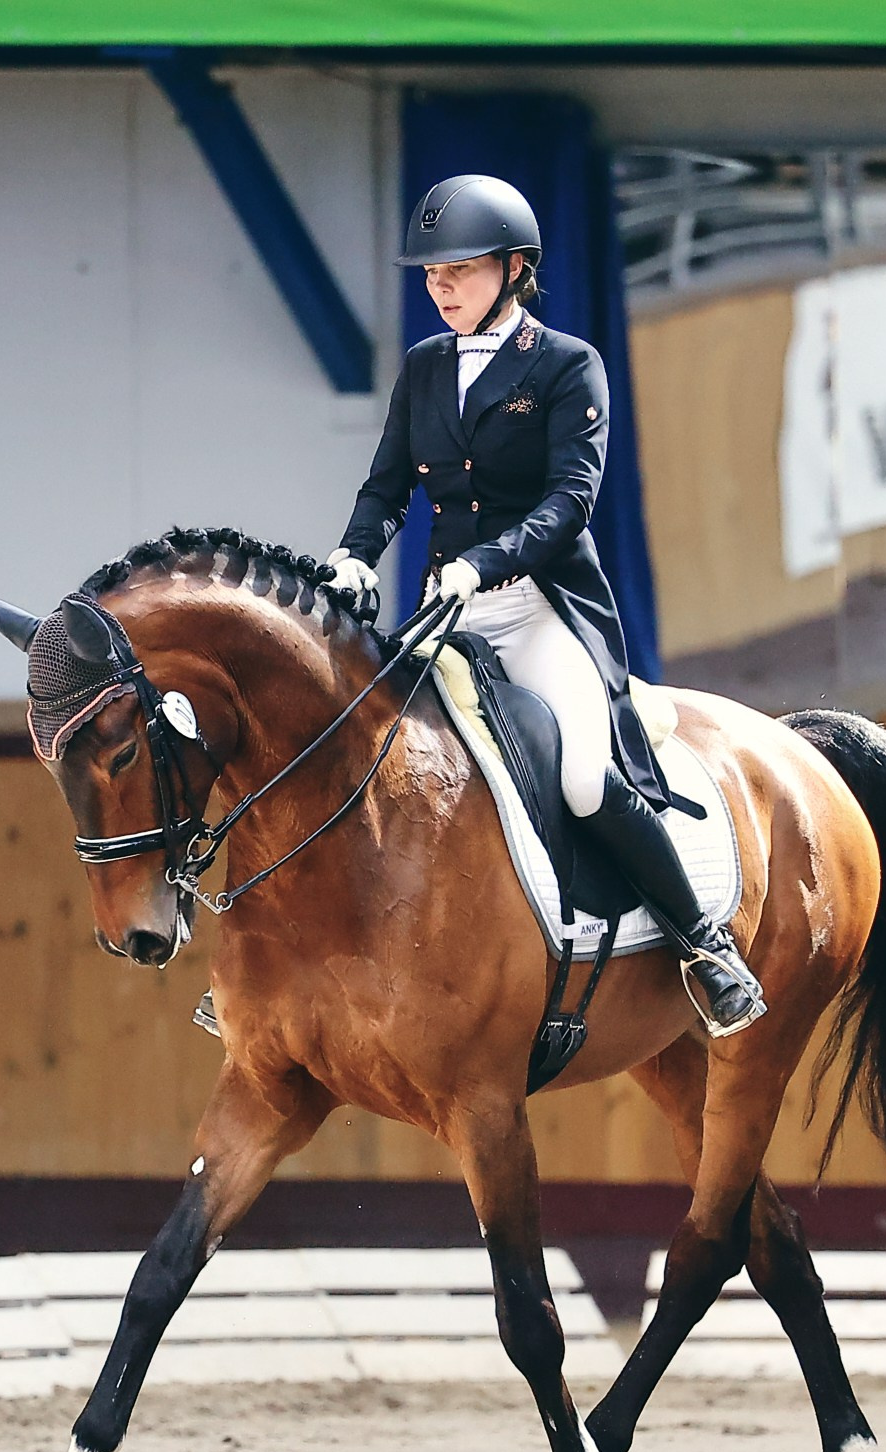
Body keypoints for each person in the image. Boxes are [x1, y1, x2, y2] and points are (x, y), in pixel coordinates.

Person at [323, 173, 766, 1037]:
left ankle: (706, 945)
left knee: (577, 777)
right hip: (444, 613)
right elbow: (386, 487)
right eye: (430, 274)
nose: (438, 287)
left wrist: (481, 566)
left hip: (538, 607)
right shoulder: (423, 369)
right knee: (356, 760)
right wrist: (353, 554)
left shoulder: (568, 366)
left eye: (456, 269)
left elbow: (570, 503)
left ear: (514, 267)